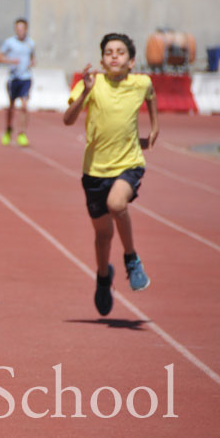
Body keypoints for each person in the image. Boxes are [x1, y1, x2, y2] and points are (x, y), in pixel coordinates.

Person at [63, 33, 159, 316]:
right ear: (102, 59)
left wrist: (154, 128)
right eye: (108, 52)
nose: (114, 56)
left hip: (129, 163)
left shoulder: (141, 83)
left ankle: (131, 259)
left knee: (117, 204)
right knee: (102, 234)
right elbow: (67, 120)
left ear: (131, 61)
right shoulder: (91, 83)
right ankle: (104, 278)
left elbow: (151, 98)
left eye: (120, 52)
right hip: (94, 171)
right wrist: (84, 92)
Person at [0, 18, 35, 146]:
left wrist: (32, 63)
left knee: (24, 106)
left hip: (26, 78)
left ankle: (22, 133)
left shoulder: (30, 43)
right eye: (18, 29)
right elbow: (0, 57)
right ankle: (8, 129)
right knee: (11, 106)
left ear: (26, 29)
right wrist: (11, 61)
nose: (20, 31)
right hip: (14, 78)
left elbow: (33, 58)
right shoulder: (9, 42)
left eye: (22, 29)